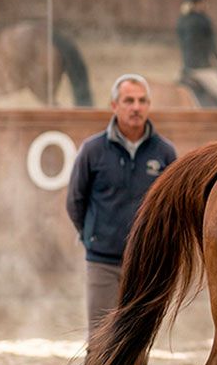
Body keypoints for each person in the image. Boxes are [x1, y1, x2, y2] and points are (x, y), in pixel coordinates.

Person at [65, 74, 177, 343]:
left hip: (145, 264)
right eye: (129, 100)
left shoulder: (165, 153)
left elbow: (172, 209)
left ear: (149, 105)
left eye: (142, 101)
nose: (136, 107)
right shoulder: (92, 150)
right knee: (101, 340)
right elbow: (75, 201)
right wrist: (94, 236)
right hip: (102, 262)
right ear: (115, 105)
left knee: (136, 342)